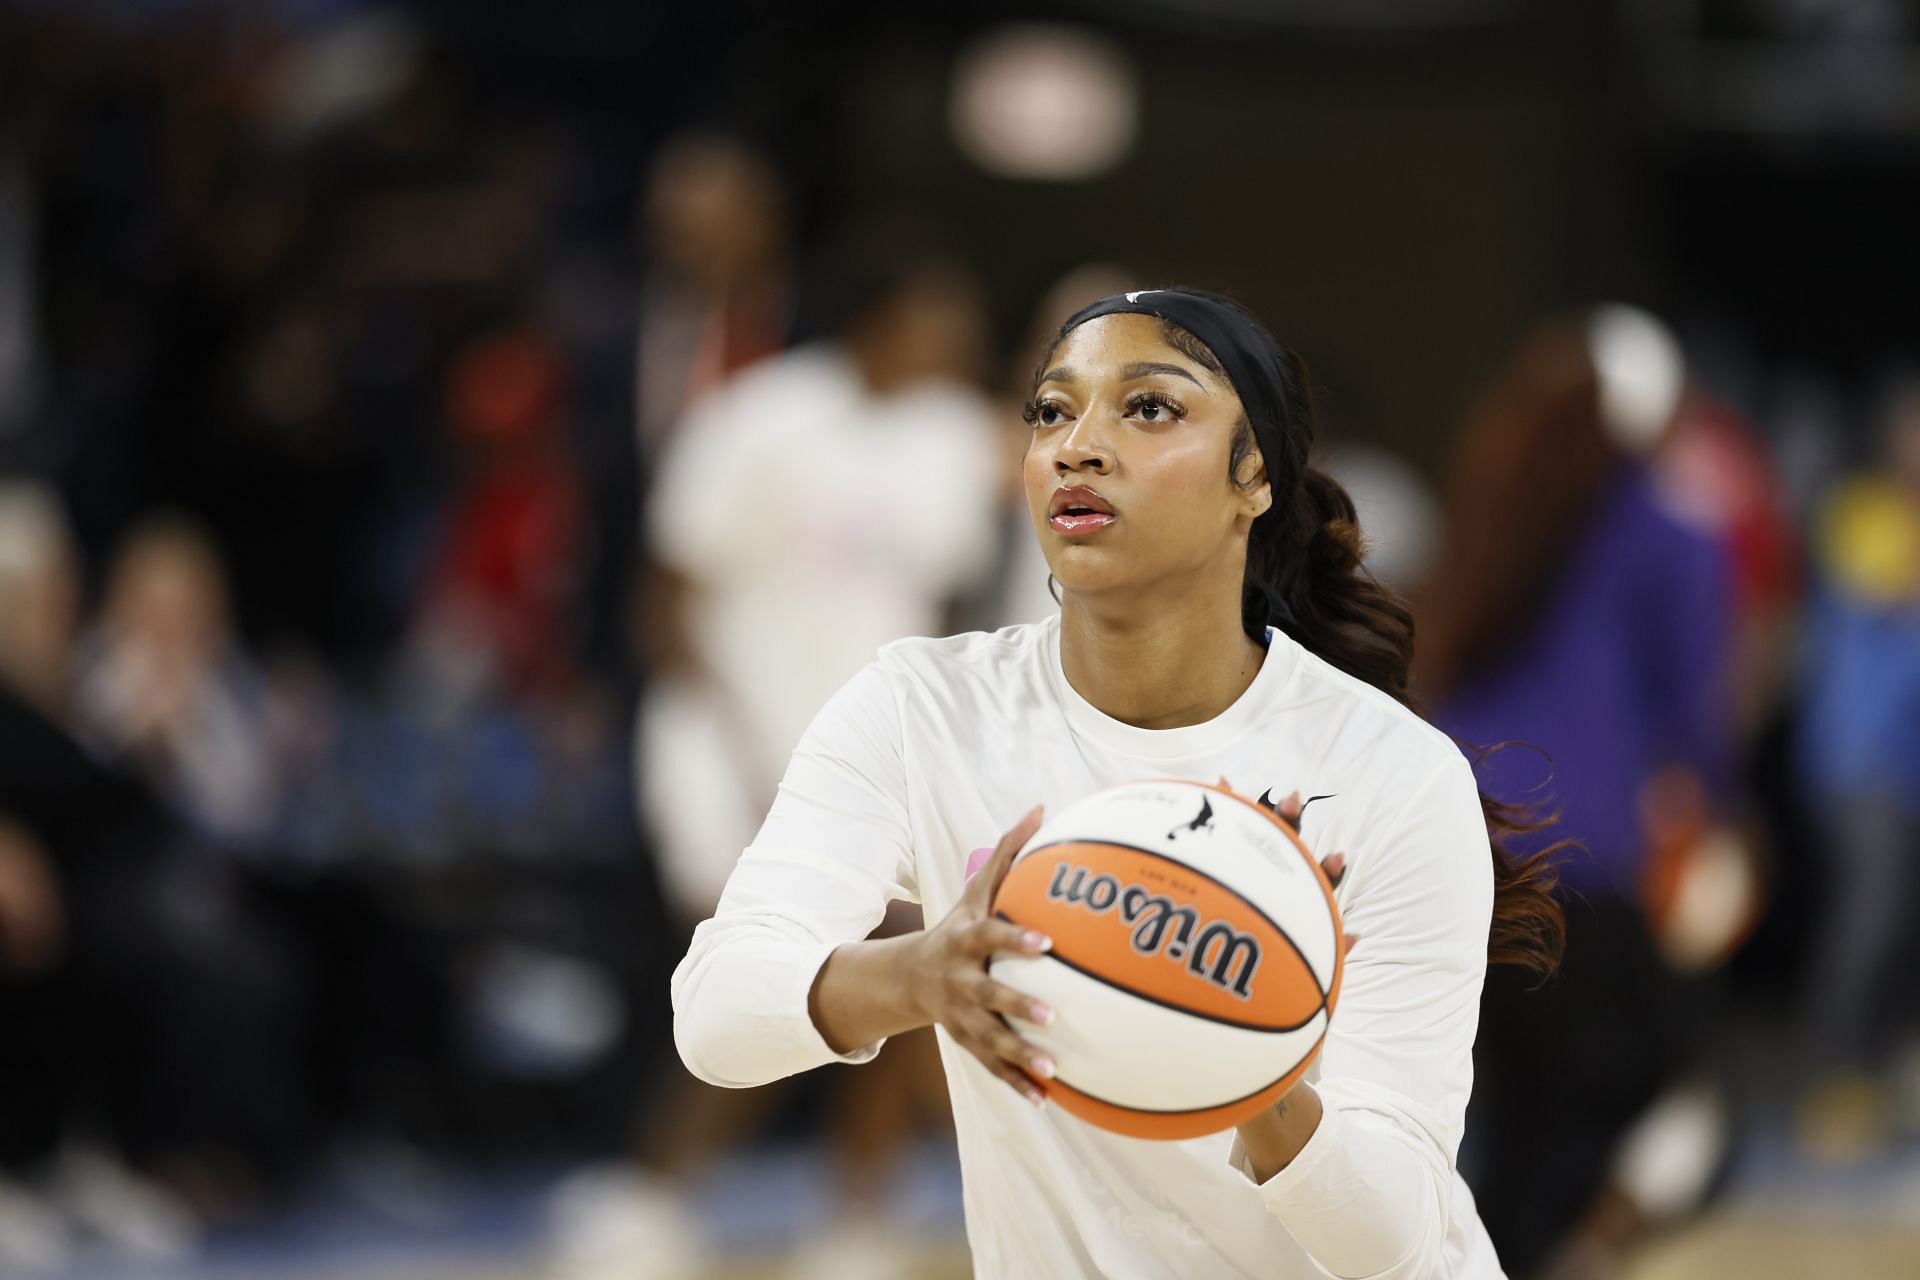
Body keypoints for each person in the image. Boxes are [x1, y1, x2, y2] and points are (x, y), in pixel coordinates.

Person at [672, 289, 1563, 1278]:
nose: (1078, 445)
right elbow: (716, 1014)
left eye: (1149, 408)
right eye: (1052, 410)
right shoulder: (919, 707)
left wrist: (1251, 1053)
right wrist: (920, 974)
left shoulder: (1389, 772)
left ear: (1254, 472)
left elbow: (1393, 1237)